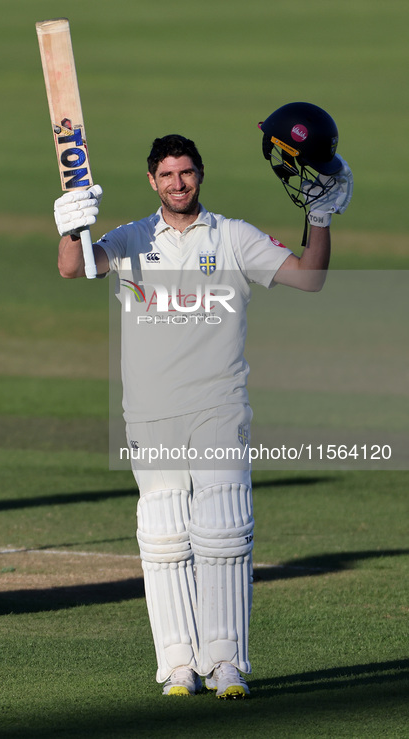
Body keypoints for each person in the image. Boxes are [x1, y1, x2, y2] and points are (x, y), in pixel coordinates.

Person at [53, 103, 353, 698]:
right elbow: (73, 269)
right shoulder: (132, 238)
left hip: (219, 405)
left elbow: (309, 277)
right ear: (152, 181)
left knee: (223, 529)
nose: (178, 183)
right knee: (164, 534)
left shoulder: (234, 237)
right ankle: (177, 667)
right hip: (150, 410)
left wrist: (319, 217)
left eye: (186, 172)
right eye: (167, 175)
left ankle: (227, 665)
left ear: (201, 174)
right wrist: (71, 224)